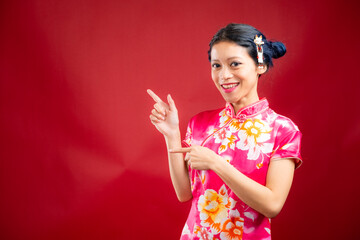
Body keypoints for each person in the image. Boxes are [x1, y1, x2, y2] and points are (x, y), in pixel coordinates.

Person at [147, 23, 302, 240]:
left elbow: (272, 205)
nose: (224, 75)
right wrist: (171, 133)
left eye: (235, 64)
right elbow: (185, 194)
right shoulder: (200, 123)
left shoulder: (283, 130)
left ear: (260, 66)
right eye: (216, 65)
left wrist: (216, 163)